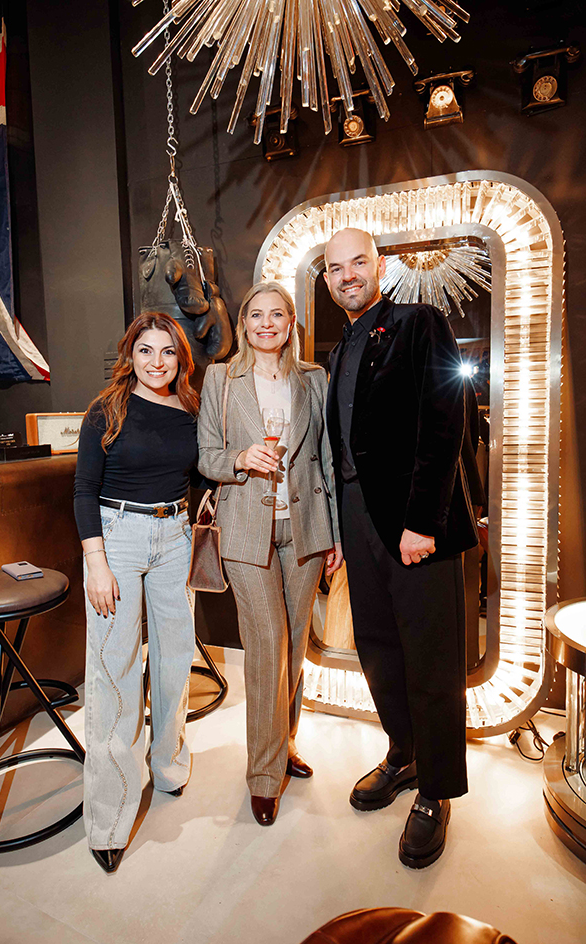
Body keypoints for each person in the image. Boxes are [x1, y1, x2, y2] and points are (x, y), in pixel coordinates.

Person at [323, 228, 478, 869]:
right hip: (357, 520)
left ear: (379, 266)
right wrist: (337, 530)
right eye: (336, 268)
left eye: (358, 262)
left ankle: (436, 792)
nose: (348, 275)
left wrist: (422, 522)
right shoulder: (337, 351)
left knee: (431, 659)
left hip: (418, 522)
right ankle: (403, 754)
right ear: (327, 279)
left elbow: (444, 422)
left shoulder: (419, 323)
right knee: (378, 647)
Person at [197, 282, 343, 826]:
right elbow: (206, 456)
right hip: (245, 528)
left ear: (290, 324)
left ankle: (285, 744)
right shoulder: (220, 378)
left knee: (296, 643)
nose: (266, 323)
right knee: (267, 643)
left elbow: (327, 458)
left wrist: (335, 534)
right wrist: (240, 458)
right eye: (256, 315)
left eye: (276, 314)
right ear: (243, 323)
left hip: (305, 528)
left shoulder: (313, 378)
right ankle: (263, 775)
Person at [74, 311, 200, 873]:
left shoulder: (191, 409)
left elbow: (202, 471)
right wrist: (96, 563)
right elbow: (84, 489)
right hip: (116, 537)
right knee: (114, 670)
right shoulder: (107, 409)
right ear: (130, 355)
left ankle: (167, 765)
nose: (156, 362)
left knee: (173, 661)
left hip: (175, 535)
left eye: (167, 352)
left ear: (180, 360)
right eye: (145, 350)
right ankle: (109, 817)